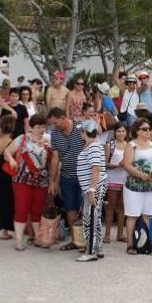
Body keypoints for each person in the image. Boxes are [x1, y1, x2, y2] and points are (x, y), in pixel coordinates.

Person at [4, 113, 58, 251]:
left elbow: (54, 161)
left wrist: (52, 180)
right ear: (32, 127)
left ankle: (38, 237)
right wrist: (11, 160)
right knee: (21, 209)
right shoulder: (22, 139)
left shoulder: (48, 141)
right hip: (22, 180)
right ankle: (18, 240)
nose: (41, 130)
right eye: (38, 127)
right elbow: (7, 152)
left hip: (42, 182)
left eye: (43, 127)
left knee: (37, 210)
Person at [49, 104, 93, 249]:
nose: (53, 126)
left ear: (63, 118)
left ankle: (89, 240)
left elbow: (92, 147)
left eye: (55, 123)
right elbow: (55, 158)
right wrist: (52, 182)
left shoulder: (81, 128)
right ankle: (76, 241)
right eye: (51, 124)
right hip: (67, 176)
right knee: (70, 209)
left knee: (86, 209)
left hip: (84, 176)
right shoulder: (55, 134)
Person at [122, 118, 152, 253]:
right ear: (137, 131)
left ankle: (145, 243)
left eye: (148, 128)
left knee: (147, 215)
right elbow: (126, 164)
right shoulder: (131, 145)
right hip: (134, 186)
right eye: (144, 129)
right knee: (132, 214)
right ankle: (131, 244)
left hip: (150, 186)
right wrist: (140, 175)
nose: (148, 131)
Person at [76, 119, 107, 262]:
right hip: (93, 187)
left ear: (84, 132)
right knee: (95, 217)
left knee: (91, 218)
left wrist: (92, 190)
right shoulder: (93, 146)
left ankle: (91, 251)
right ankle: (97, 247)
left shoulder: (93, 147)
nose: (79, 134)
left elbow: (96, 169)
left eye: (80, 132)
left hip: (94, 187)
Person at [104, 123, 129, 243]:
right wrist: (116, 166)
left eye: (123, 131)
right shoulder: (110, 145)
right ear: (115, 132)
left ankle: (120, 234)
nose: (121, 133)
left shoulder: (129, 146)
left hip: (125, 179)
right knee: (111, 206)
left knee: (122, 207)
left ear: (126, 133)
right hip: (113, 178)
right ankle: (107, 234)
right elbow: (105, 163)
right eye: (118, 131)